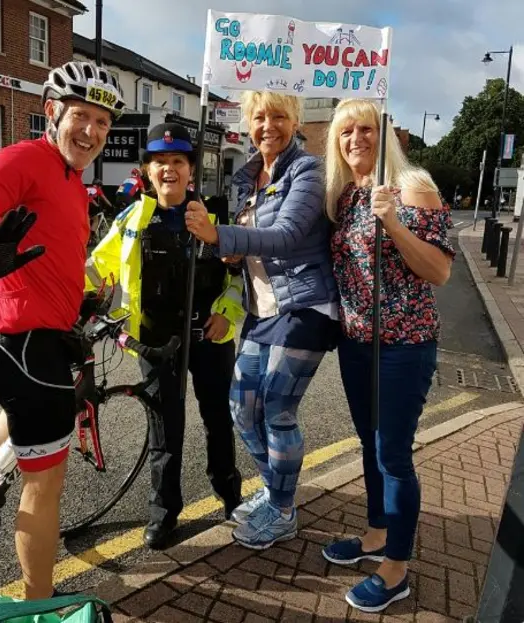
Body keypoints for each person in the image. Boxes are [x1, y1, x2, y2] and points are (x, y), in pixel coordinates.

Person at [0, 61, 126, 600]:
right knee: (46, 485)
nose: (90, 131)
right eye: (80, 116)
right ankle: (36, 607)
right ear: (51, 112)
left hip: (29, 336)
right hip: (22, 343)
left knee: (22, 425)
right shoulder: (25, 159)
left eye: (102, 123)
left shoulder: (70, 178)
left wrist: (81, 295)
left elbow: (56, 253)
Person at [186, 91, 340, 550]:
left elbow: (288, 235)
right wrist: (227, 248)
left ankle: (284, 510)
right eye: (258, 117)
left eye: (278, 116)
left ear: (295, 122)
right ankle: (276, 492)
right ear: (247, 123)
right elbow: (247, 246)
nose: (267, 125)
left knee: (276, 407)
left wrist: (220, 234)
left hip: (305, 307)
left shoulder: (308, 170)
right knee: (241, 407)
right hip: (261, 309)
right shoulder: (246, 177)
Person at [85, 122, 245, 549]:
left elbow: (238, 278)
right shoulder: (131, 218)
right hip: (155, 341)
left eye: (177, 161)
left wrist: (227, 315)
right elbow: (96, 270)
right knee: (165, 431)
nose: (168, 169)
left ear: (191, 170)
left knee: (217, 421)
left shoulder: (214, 216)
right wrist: (75, 305)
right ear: (148, 171)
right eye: (159, 162)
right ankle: (164, 512)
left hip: (209, 337)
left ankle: (230, 495)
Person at [322, 98, 454, 612]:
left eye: (367, 129)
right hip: (358, 344)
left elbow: (439, 272)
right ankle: (377, 535)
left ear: (387, 134)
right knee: (367, 444)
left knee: (393, 456)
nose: (356, 139)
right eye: (346, 131)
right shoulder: (348, 196)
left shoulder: (414, 187)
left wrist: (395, 223)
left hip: (405, 345)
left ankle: (396, 567)